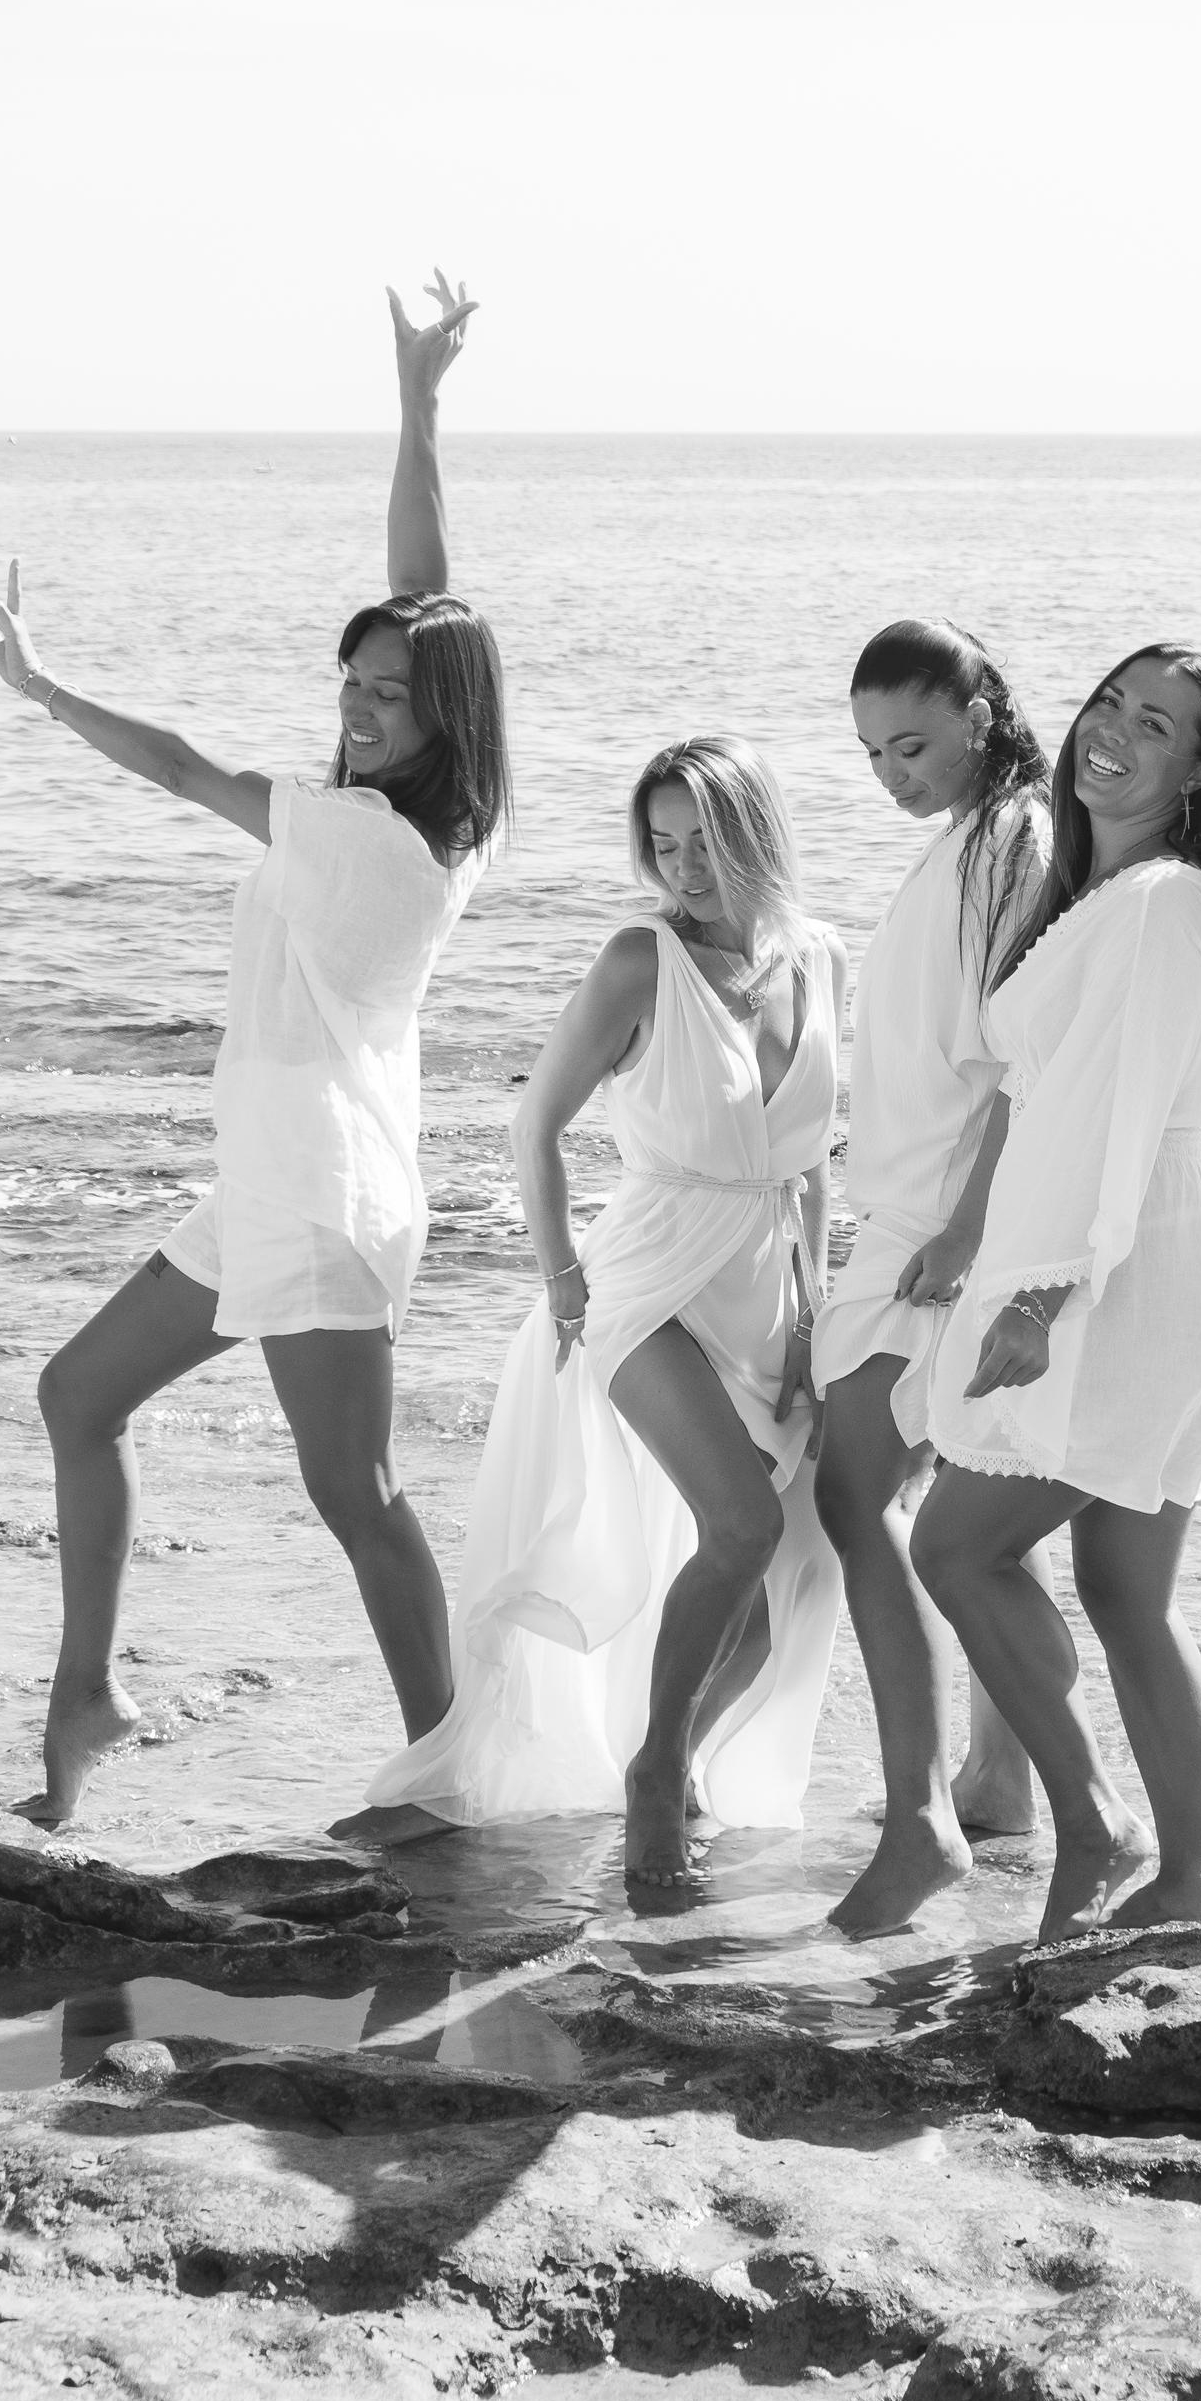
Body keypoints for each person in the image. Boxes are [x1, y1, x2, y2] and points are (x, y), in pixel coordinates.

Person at [0, 275, 510, 1825]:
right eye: (355, 677)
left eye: (392, 693)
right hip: (272, 1179)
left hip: (320, 1193)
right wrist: (416, 407)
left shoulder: (356, 836)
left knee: (358, 1497)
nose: (361, 700)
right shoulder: (441, 820)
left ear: (442, 715)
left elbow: (184, 765)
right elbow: (427, 588)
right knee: (78, 1399)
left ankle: (446, 1763)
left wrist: (39, 685)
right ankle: (89, 1691)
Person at [370, 737, 848, 1887]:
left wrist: (818, 1303)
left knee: (780, 1605)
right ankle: (651, 1776)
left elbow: (816, 1157)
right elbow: (533, 1124)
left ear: (756, 833)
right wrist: (560, 1278)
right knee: (741, 1528)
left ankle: (671, 1761)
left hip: (769, 1287)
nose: (681, 867)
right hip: (643, 1284)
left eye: (703, 840)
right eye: (662, 843)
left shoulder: (823, 958)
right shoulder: (640, 960)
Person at [912, 645, 1201, 1942]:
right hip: (1139, 1252)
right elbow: (1053, 1102)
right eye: (1110, 703)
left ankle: (1097, 1824)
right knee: (1124, 1595)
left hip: (1134, 1262)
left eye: (1155, 723)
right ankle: (1197, 1879)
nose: (1111, 731)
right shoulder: (1106, 894)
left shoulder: (1167, 903)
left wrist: (1042, 1296)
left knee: (954, 1546)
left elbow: (1113, 1117)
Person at [813, 620, 1060, 1935]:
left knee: (859, 1495)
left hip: (938, 1233)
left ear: (981, 709)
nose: (892, 774)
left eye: (912, 743)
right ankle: (993, 1784)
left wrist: (967, 1233)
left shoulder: (1014, 842)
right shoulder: (973, 838)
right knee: (956, 1509)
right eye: (870, 754)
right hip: (919, 1220)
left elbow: (1028, 1059)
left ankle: (925, 1825)